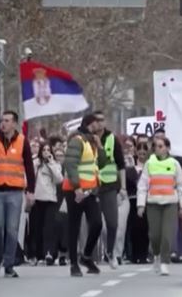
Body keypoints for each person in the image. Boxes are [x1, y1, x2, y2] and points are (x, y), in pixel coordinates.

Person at [0, 111, 36, 278]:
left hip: (15, 192)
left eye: (7, 121)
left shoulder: (22, 142)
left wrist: (31, 191)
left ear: (14, 124)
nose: (3, 123)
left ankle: (9, 265)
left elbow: (30, 169)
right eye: (2, 120)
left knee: (12, 230)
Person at [137, 136, 182, 275]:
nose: (157, 149)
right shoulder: (149, 163)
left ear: (167, 148)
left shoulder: (174, 164)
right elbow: (142, 185)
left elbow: (181, 185)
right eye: (155, 146)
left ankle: (165, 262)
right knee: (154, 235)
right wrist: (141, 205)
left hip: (170, 203)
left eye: (160, 146)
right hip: (153, 203)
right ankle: (156, 256)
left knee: (167, 235)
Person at [63, 113, 106, 277]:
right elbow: (70, 164)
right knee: (74, 227)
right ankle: (74, 264)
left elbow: (101, 164)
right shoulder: (77, 141)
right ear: (90, 124)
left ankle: (86, 256)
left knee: (96, 224)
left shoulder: (92, 142)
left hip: (91, 191)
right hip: (76, 190)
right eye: (98, 123)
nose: (100, 126)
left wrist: (100, 146)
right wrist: (77, 187)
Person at [92, 110, 127, 269]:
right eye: (96, 120)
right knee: (94, 224)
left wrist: (124, 187)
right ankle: (90, 255)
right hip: (92, 186)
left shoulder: (112, 139)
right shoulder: (87, 139)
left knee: (112, 223)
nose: (99, 123)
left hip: (110, 185)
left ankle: (110, 252)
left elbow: (121, 165)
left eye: (101, 120)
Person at [30, 143, 64, 266]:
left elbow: (59, 179)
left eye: (48, 150)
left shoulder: (55, 164)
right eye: (43, 149)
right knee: (38, 227)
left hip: (50, 198)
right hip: (38, 198)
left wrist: (50, 163)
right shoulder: (35, 163)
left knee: (49, 227)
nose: (45, 152)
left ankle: (49, 252)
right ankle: (39, 255)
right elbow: (29, 177)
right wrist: (37, 165)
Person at [127, 142, 150, 264]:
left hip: (146, 201)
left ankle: (143, 255)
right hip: (133, 201)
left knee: (145, 229)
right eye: (139, 150)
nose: (142, 152)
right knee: (134, 229)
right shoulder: (131, 169)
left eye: (144, 150)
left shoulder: (150, 167)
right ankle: (134, 255)